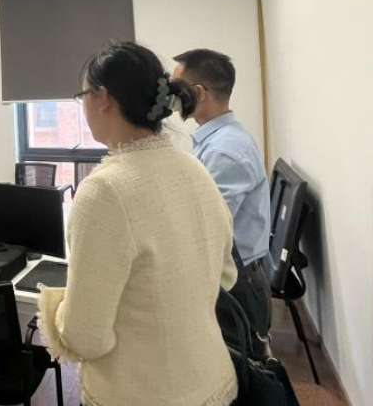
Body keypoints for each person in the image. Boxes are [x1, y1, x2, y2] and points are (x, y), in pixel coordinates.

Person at [38, 41, 238, 406]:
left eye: (82, 96)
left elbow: (85, 336)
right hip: (213, 381)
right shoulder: (195, 169)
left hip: (141, 392)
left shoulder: (103, 190)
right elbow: (226, 275)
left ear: (102, 98)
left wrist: (56, 308)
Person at [172, 48, 272, 349]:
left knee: (237, 369)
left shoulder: (223, 151)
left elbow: (206, 229)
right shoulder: (220, 140)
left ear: (198, 92)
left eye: (176, 88)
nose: (171, 97)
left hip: (236, 284)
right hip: (234, 274)